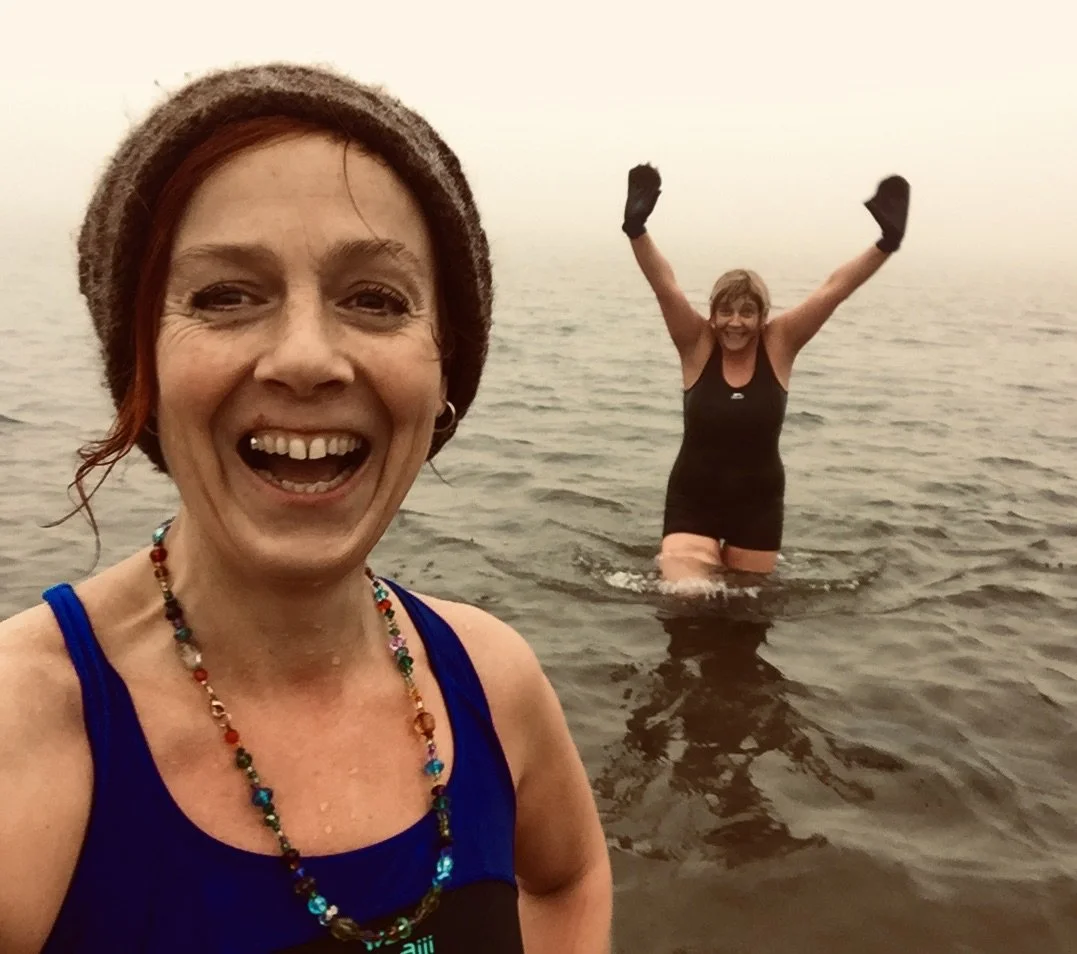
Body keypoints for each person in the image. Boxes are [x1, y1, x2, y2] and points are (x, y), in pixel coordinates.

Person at [0, 64, 612, 954]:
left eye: (374, 299)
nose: (306, 359)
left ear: (445, 365)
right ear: (143, 366)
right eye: (224, 296)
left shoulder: (490, 679)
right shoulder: (26, 728)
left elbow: (566, 877)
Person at [621, 163, 910, 579]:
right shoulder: (697, 343)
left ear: (762, 317)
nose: (735, 323)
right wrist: (637, 230)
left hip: (758, 507)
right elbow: (665, 285)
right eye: (726, 311)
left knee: (748, 613)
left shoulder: (780, 343)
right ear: (713, 315)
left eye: (747, 312)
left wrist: (886, 243)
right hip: (693, 500)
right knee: (687, 598)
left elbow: (834, 290)